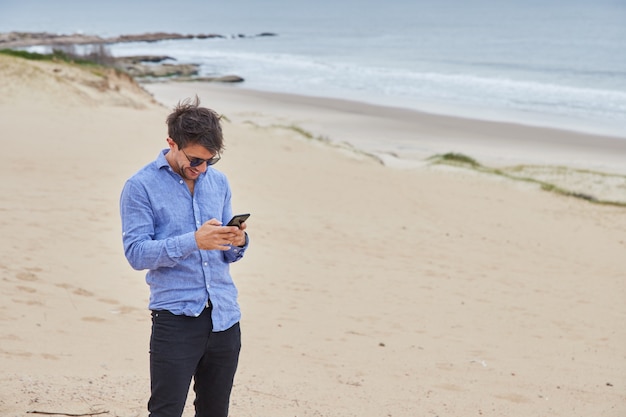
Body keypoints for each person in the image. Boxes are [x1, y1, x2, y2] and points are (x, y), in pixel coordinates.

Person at [119, 96, 249, 417]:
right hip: (175, 320)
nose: (201, 169)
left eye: (210, 160)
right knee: (165, 412)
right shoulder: (140, 187)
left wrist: (238, 241)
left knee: (215, 412)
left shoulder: (218, 182)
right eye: (194, 160)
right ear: (171, 143)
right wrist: (193, 241)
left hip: (225, 317)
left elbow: (230, 255)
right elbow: (136, 254)